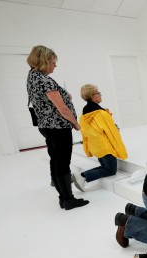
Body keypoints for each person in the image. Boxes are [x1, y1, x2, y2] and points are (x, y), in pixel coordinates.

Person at [26, 45, 89, 210]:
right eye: (53, 62)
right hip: (58, 127)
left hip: (45, 126)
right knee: (63, 163)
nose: (55, 65)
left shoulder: (32, 76)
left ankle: (63, 198)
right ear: (44, 61)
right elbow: (62, 109)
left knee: (55, 160)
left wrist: (62, 95)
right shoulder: (45, 80)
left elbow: (45, 100)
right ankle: (68, 199)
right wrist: (75, 123)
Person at [72, 84, 127, 191]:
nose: (100, 94)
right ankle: (83, 176)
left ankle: (80, 176)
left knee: (105, 167)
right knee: (111, 170)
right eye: (98, 93)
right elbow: (111, 133)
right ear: (92, 96)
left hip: (96, 146)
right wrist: (120, 149)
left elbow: (86, 132)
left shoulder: (84, 114)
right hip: (106, 147)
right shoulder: (101, 113)